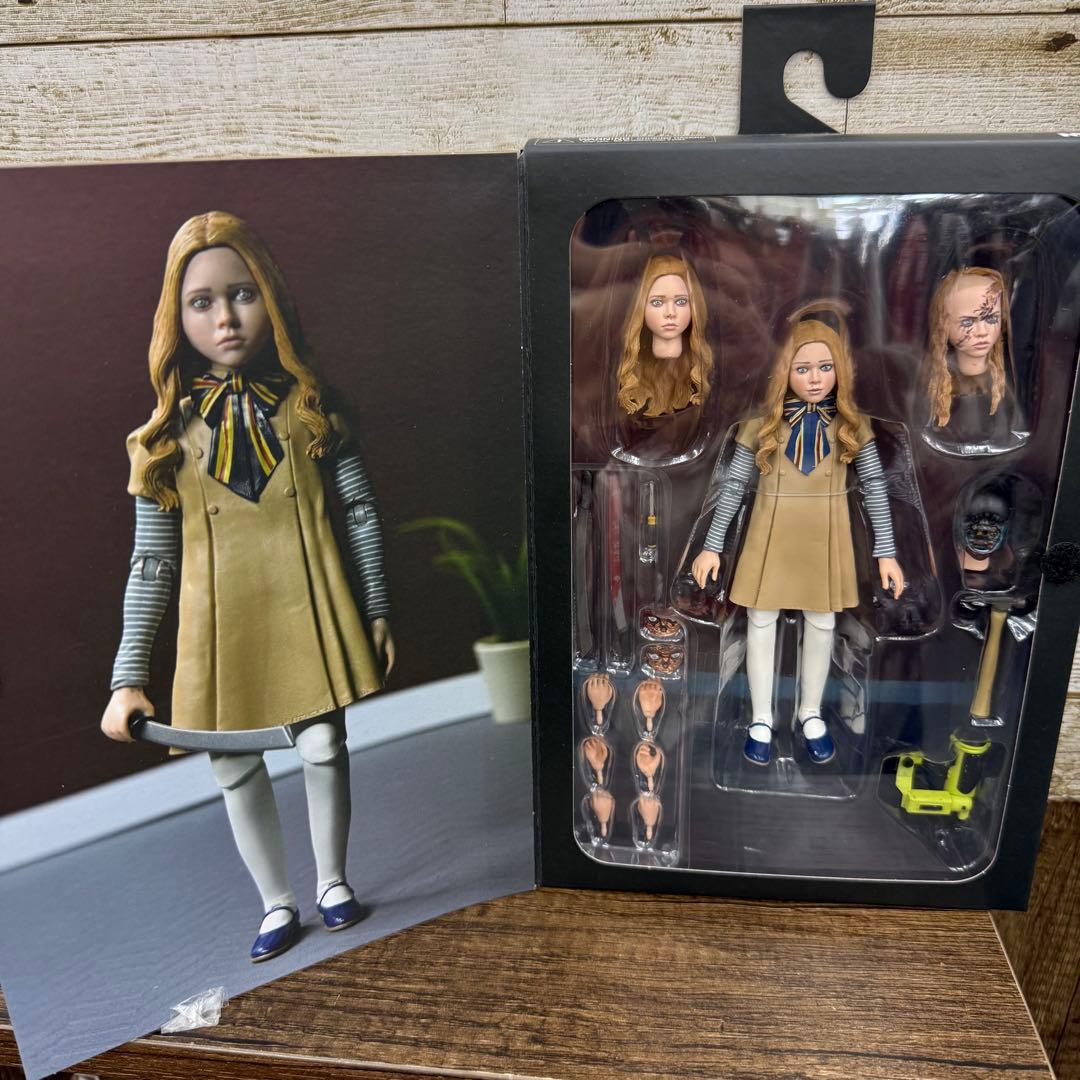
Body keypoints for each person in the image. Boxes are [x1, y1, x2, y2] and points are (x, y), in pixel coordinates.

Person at [100, 211, 394, 962]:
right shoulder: (161, 441)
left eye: (242, 293)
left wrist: (376, 606)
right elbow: (150, 562)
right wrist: (128, 676)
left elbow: (360, 509)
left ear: (271, 295)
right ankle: (275, 902)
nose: (225, 318)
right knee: (233, 765)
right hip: (218, 626)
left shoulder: (313, 410)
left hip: (308, 603)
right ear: (176, 317)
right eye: (202, 302)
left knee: (323, 744)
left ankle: (332, 881)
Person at [690, 300, 903, 767]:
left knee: (823, 624)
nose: (815, 378)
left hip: (827, 538)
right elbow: (733, 485)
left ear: (841, 369)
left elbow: (875, 487)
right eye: (802, 368)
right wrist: (712, 545)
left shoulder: (853, 425)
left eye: (825, 367)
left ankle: (811, 713)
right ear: (784, 370)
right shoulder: (760, 425)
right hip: (769, 535)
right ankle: (761, 718)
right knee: (760, 622)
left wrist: (886, 552)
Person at [923, 266, 1026, 456]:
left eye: (991, 318)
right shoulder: (934, 384)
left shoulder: (1005, 384)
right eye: (967, 322)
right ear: (943, 323)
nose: (982, 332)